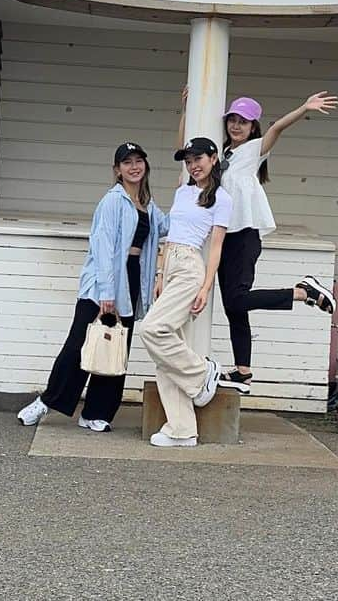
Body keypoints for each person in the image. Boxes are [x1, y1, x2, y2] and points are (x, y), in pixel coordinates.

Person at [179, 90, 338, 396]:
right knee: (234, 309)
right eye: (233, 120)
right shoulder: (219, 155)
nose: (237, 126)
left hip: (245, 235)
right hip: (221, 237)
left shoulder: (254, 150)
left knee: (238, 300)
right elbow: (185, 148)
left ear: (254, 127)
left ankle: (303, 291)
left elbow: (278, 127)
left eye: (245, 122)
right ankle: (243, 373)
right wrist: (188, 109)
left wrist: (304, 107)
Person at [16, 142, 165, 432]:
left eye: (138, 161)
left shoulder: (148, 205)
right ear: (117, 170)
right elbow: (103, 248)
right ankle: (47, 401)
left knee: (115, 346)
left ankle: (97, 412)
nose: (134, 167)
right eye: (127, 162)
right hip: (103, 285)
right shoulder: (112, 201)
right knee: (78, 346)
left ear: (145, 166)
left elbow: (167, 226)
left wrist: (196, 199)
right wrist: (107, 292)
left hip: (132, 281)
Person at [137, 136, 231, 448]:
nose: (193, 165)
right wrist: (160, 274)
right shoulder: (182, 191)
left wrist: (206, 287)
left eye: (199, 159)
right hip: (171, 264)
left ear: (213, 158)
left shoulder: (221, 199)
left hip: (191, 266)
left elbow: (215, 248)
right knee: (165, 356)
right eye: (189, 160)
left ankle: (202, 373)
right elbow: (171, 235)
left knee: (152, 329)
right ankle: (182, 429)